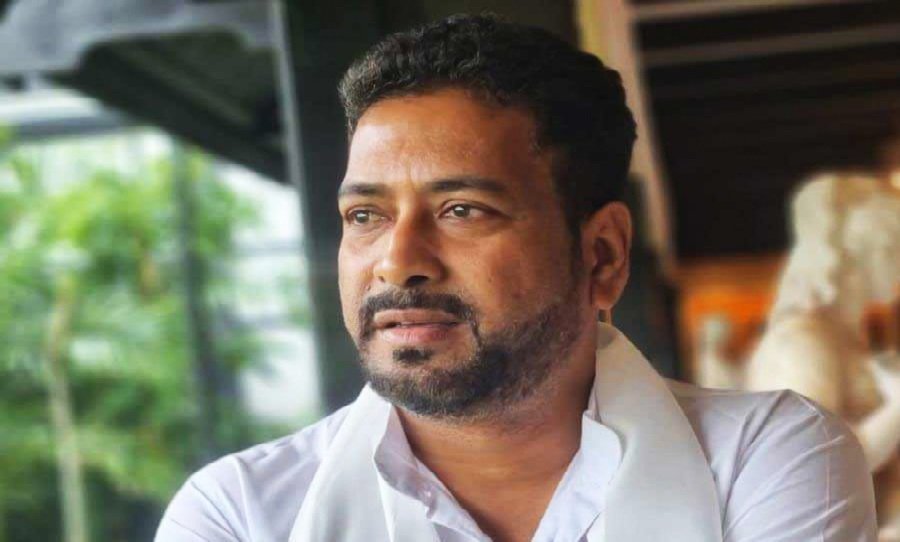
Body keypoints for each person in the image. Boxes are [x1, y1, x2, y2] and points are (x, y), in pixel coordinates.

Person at [154, 14, 876, 542]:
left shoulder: (764, 458)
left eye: (462, 210)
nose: (398, 260)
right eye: (366, 215)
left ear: (602, 256)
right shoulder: (242, 513)